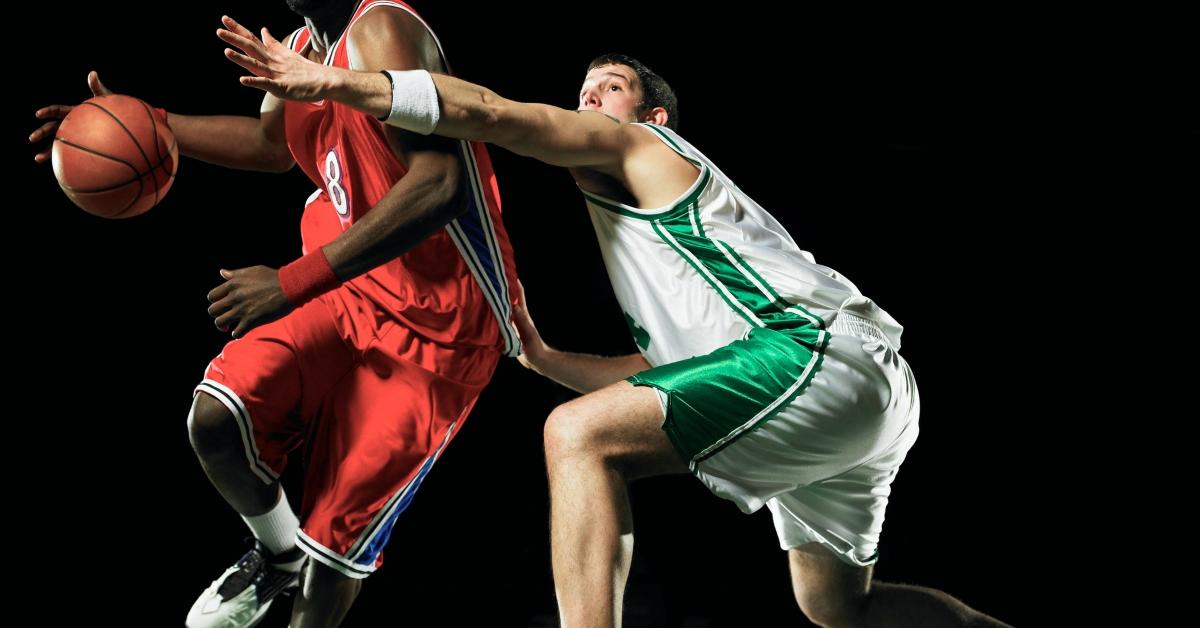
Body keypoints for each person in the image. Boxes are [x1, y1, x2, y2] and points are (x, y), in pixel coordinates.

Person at [218, 24, 1015, 628]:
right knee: (838, 610)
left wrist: (331, 80)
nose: (589, 101)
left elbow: (489, 113)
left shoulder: (639, 144)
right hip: (861, 386)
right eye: (585, 89)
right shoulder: (656, 236)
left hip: (819, 356)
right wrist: (545, 355)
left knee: (577, 438)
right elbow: (661, 375)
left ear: (653, 113)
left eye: (609, 88)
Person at [30, 2, 519, 626]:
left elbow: (439, 184)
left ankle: (303, 562)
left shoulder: (381, 30)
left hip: (441, 325)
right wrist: (146, 124)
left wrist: (292, 282)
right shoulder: (300, 43)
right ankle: (277, 551)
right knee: (215, 419)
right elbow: (270, 146)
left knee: (331, 569)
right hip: (353, 290)